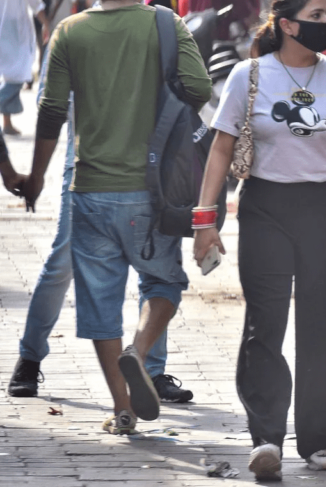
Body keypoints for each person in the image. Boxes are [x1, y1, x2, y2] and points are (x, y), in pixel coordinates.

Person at [192, 0, 326, 481]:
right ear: (287, 24)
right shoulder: (248, 74)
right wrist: (204, 219)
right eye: (318, 15)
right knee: (265, 323)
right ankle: (266, 438)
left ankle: (320, 438)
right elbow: (220, 147)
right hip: (265, 208)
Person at [20, 0, 211, 435]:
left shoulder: (71, 32)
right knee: (164, 282)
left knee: (100, 304)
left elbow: (51, 112)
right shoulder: (166, 25)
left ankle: (122, 409)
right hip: (152, 192)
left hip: (90, 191)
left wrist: (36, 177)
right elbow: (198, 87)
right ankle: (141, 349)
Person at [7, 45, 196, 404]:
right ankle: (30, 358)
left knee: (153, 264)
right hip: (86, 165)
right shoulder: (76, 32)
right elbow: (51, 105)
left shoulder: (157, 27)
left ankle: (151, 370)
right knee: (63, 261)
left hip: (147, 166)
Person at [0, 0, 50, 136]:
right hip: (17, 27)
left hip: (2, 26)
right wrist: (46, 22)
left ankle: (7, 124)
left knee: (11, 74)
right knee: (19, 73)